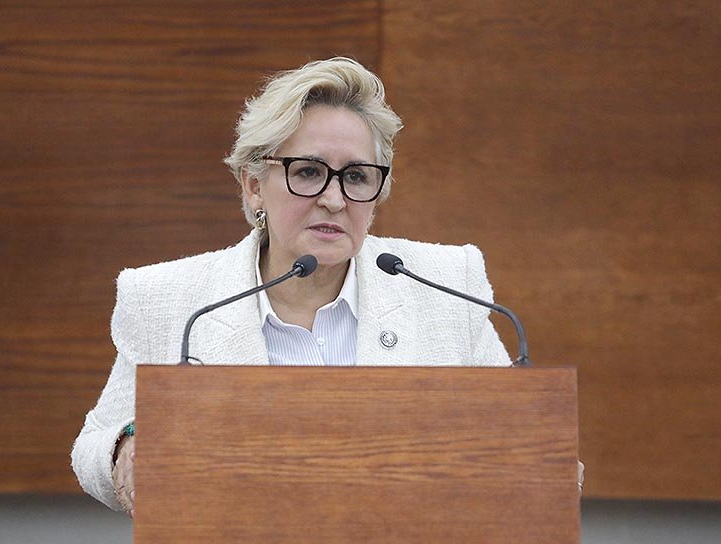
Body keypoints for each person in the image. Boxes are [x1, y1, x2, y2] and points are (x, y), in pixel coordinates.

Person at [71, 57, 512, 516]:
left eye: (356, 176)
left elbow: (512, 428)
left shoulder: (445, 283)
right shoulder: (169, 299)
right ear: (254, 186)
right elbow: (98, 438)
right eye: (308, 172)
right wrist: (126, 449)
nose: (334, 199)